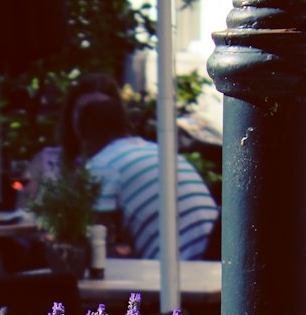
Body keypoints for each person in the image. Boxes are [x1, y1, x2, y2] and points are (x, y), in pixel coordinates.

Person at [72, 88, 219, 260]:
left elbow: (99, 244)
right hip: (212, 260)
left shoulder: (103, 164)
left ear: (84, 133)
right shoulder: (160, 152)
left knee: (124, 284)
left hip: (177, 272)